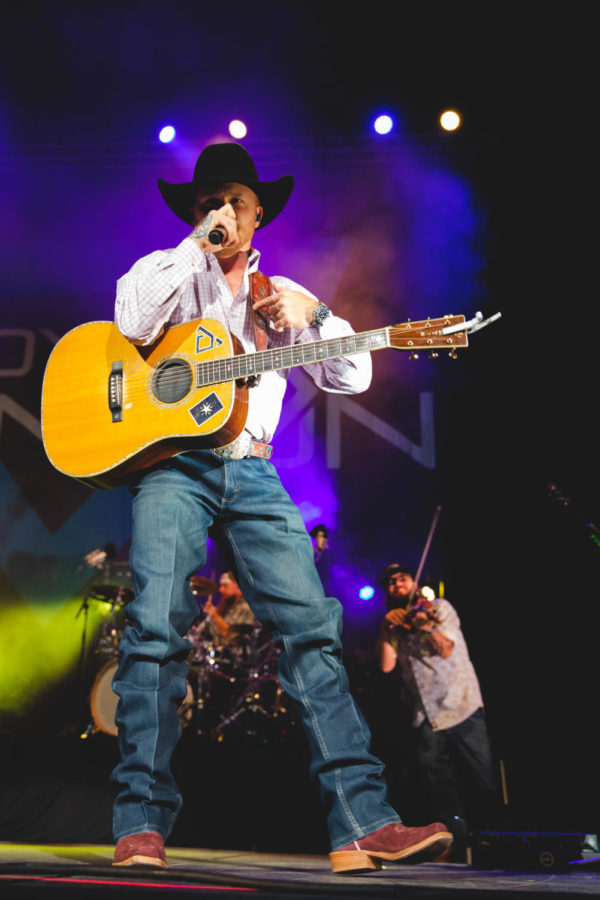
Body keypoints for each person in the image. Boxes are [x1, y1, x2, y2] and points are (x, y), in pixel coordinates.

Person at [110, 142, 452, 873]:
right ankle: (139, 821)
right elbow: (132, 319)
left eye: (236, 200)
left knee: (311, 630)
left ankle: (360, 823)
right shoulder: (165, 271)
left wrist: (316, 312)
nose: (223, 210)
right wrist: (196, 244)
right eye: (210, 200)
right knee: (154, 629)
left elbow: (352, 375)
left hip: (252, 471)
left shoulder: (282, 294)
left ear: (260, 210)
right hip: (173, 466)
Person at [376, 563, 498, 856]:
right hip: (425, 714)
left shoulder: (439, 607)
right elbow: (386, 665)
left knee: (481, 777)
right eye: (390, 582)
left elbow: (446, 648)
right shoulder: (393, 623)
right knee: (438, 786)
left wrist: (425, 624)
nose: (396, 583)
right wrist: (385, 627)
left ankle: (493, 839)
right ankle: (455, 843)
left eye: (402, 578)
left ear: (414, 582)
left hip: (461, 704)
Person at [202, 570, 256, 642]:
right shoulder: (228, 602)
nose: (220, 589)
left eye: (225, 586)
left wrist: (214, 616)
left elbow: (232, 637)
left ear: (238, 586)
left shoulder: (247, 606)